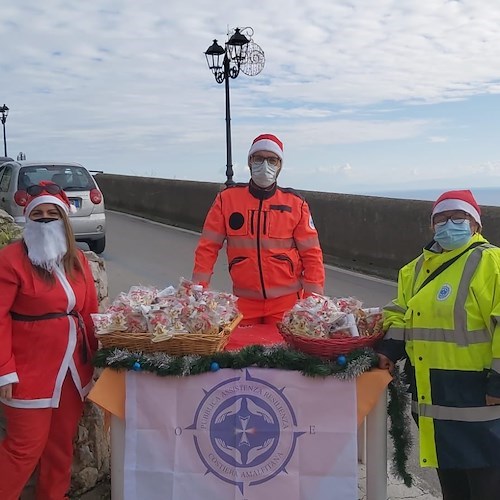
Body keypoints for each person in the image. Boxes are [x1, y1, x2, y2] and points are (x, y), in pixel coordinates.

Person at [377, 189, 500, 500]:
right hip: (433, 392)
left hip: (480, 395)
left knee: (487, 481)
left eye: (458, 218)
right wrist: (389, 351)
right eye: (441, 219)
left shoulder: (491, 264)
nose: (449, 224)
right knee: (452, 482)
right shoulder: (415, 269)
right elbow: (400, 314)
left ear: (476, 225)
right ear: (432, 226)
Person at [0, 181, 99, 500]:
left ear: (64, 218)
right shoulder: (10, 259)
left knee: (60, 449)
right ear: (28, 219)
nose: (45, 220)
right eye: (37, 214)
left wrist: (97, 359)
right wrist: (4, 369)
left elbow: (90, 312)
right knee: (22, 450)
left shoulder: (77, 260)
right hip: (28, 372)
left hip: (71, 371)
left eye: (52, 213)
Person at [192, 133, 325, 325]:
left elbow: (312, 255)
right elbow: (207, 247)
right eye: (259, 158)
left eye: (272, 160)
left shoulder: (296, 204)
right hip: (243, 302)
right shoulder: (227, 200)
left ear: (280, 165)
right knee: (241, 353)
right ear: (249, 161)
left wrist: (313, 301)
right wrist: (198, 289)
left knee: (284, 354)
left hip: (287, 302)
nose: (265, 165)